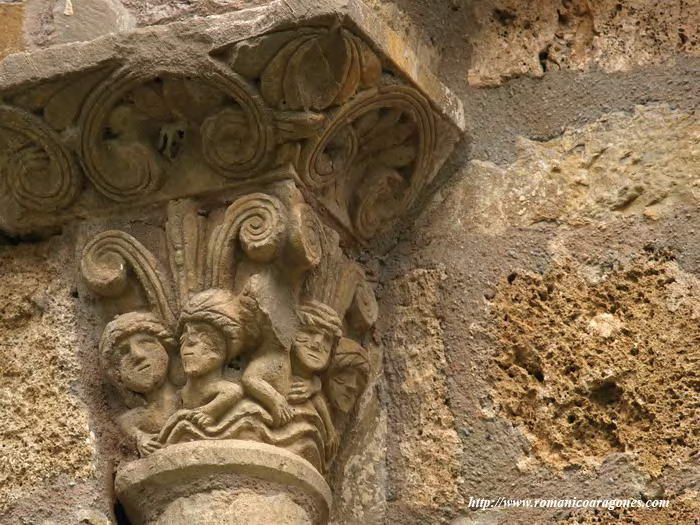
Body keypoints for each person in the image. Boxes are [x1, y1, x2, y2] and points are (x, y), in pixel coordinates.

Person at [99, 312, 179, 456]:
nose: (137, 355)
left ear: (166, 346)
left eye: (145, 342)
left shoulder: (191, 399)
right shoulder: (130, 421)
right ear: (117, 375)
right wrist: (141, 439)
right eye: (123, 352)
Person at [287, 301, 343, 456]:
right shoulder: (274, 364)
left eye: (327, 340)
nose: (318, 343)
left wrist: (330, 432)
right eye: (310, 331)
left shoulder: (314, 389)